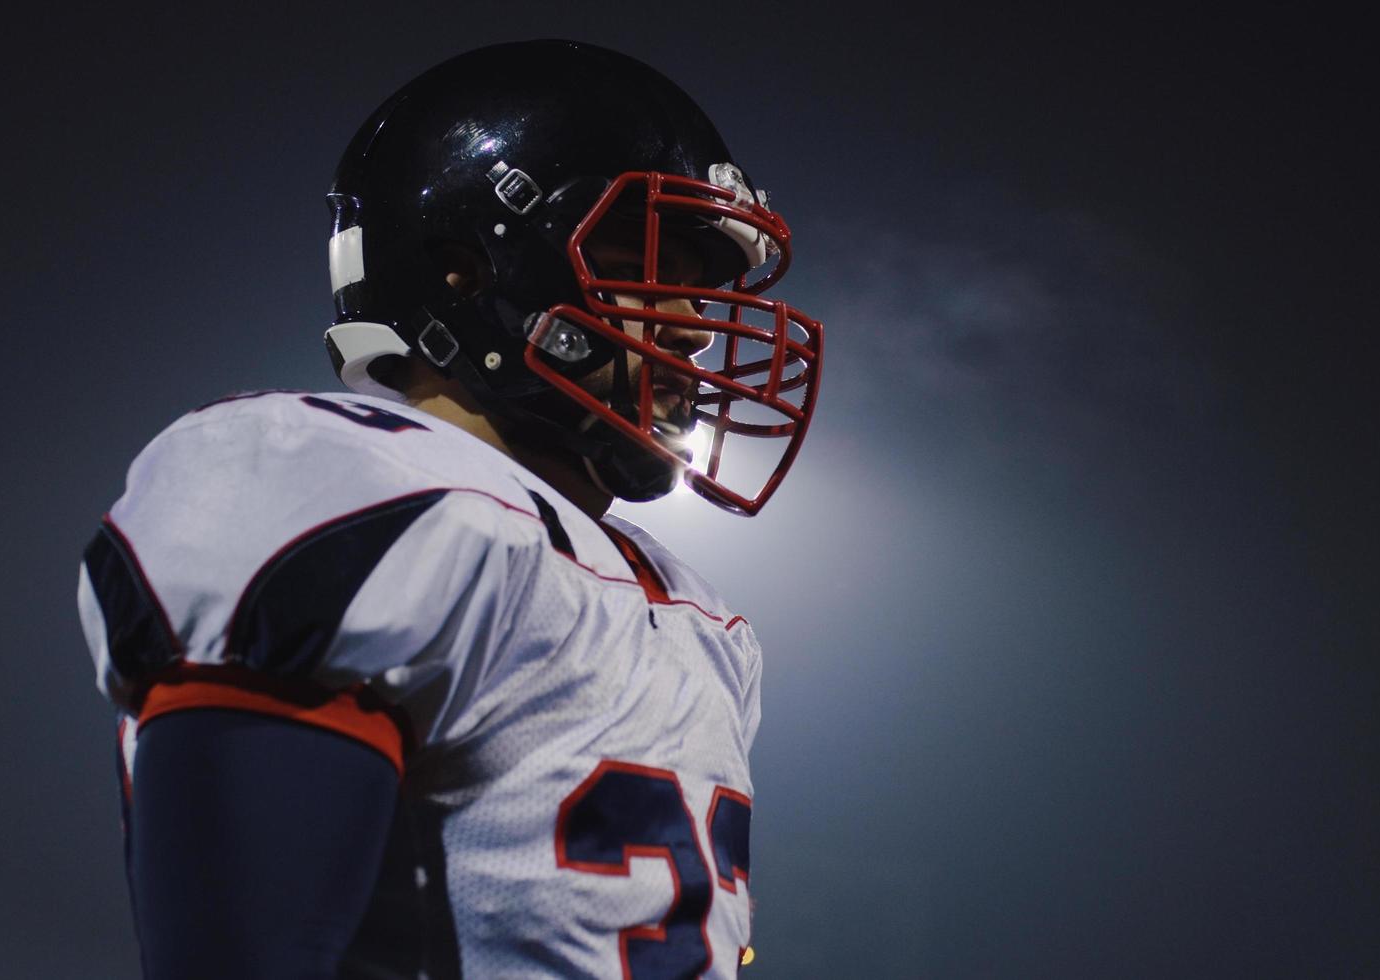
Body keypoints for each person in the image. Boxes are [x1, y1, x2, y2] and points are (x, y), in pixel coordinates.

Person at [75, 39, 824, 979]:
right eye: (642, 264)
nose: (687, 321)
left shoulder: (695, 612)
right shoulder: (357, 491)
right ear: (466, 270)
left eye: (702, 285)